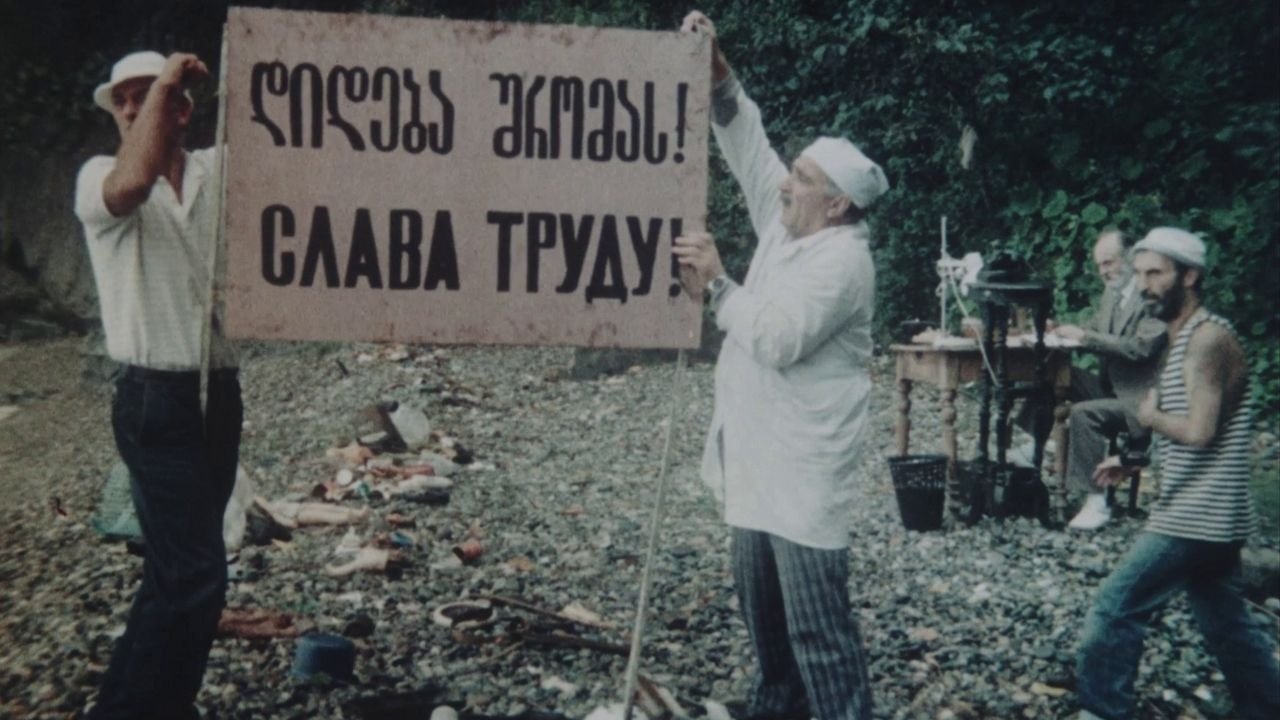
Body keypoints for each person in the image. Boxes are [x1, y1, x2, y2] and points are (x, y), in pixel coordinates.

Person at [674, 11, 888, 720]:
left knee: (817, 631)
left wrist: (718, 282)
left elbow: (777, 337)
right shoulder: (790, 221)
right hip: (757, 455)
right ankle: (776, 710)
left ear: (836, 204)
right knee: (764, 619)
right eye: (794, 173)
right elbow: (748, 146)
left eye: (802, 178)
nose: (785, 183)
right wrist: (718, 69)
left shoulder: (844, 263)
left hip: (802, 469)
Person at [75, 50, 242, 719]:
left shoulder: (215, 172)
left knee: (178, 573)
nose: (133, 108)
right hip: (153, 396)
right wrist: (166, 80)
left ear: (183, 110)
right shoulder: (98, 178)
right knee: (198, 575)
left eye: (149, 95)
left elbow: (292, 145)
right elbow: (133, 183)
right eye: (124, 100)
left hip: (219, 389)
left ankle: (137, 705)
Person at [1075, 228, 1280, 720]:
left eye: (1156, 273)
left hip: (1196, 517)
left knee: (1115, 607)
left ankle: (1103, 711)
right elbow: (1202, 428)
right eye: (1139, 272)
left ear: (1189, 276)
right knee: (1224, 622)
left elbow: (1201, 431)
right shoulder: (1185, 335)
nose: (1143, 284)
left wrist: (1150, 420)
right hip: (1215, 514)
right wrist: (1134, 461)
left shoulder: (1206, 341)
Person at [1017, 229, 1167, 530]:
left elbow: (1141, 348)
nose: (1104, 272)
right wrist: (1060, 328)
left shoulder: (1155, 297)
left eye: (1109, 263)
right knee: (1054, 374)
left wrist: (1085, 337)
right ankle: (1029, 448)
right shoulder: (1113, 293)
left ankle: (1097, 501)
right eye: (1100, 266)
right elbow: (1097, 329)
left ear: (1131, 258)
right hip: (1112, 388)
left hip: (1142, 401)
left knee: (1083, 414)